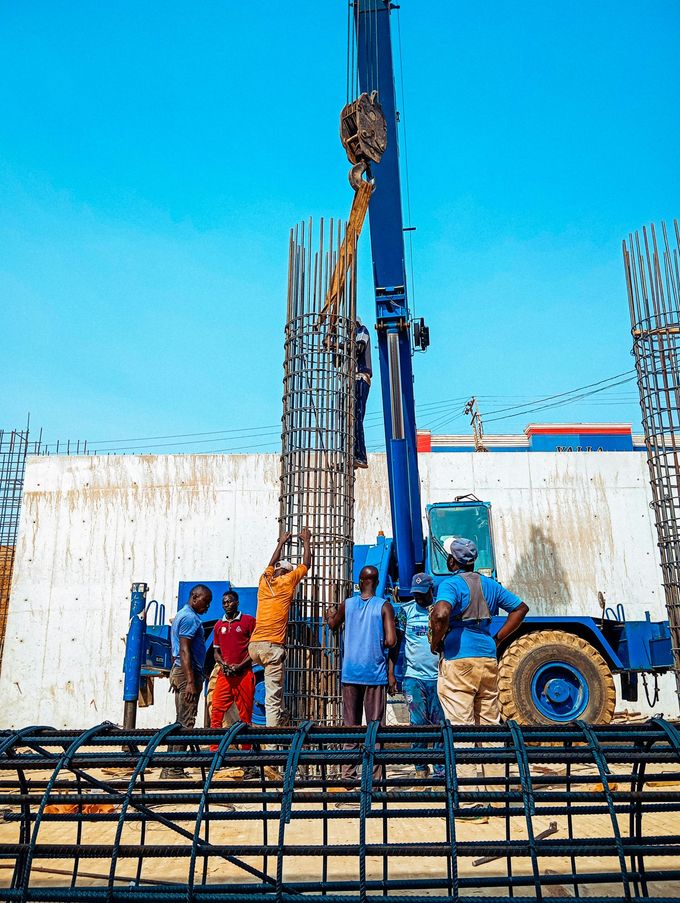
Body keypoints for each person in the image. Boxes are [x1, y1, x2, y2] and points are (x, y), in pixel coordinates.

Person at [430, 537, 528, 820]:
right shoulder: (490, 585)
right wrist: (497, 637)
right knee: (489, 727)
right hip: (487, 658)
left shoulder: (450, 584)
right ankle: (498, 800)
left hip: (459, 660)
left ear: (452, 561)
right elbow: (520, 608)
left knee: (460, 729)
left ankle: (471, 803)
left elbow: (441, 612)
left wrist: (437, 641)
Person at [326, 565, 397, 785]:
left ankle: (348, 775)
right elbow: (391, 641)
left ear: (359, 581)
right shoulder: (384, 606)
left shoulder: (347, 604)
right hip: (374, 674)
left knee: (351, 726)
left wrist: (329, 614)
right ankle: (375, 778)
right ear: (376, 582)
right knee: (375, 728)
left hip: (350, 673)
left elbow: (333, 624)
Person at [248, 528, 312, 726]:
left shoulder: (264, 580)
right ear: (287, 572)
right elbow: (306, 564)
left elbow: (270, 563)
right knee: (272, 700)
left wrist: (281, 542)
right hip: (271, 646)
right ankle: (272, 743)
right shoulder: (288, 581)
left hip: (254, 646)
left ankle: (281, 718)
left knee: (275, 691)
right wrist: (306, 541)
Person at [391, 572, 445, 784]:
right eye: (417, 594)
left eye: (423, 594)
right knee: (418, 724)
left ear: (431, 591)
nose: (420, 598)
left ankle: (441, 771)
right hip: (414, 677)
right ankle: (421, 769)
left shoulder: (440, 611)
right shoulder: (406, 611)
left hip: (439, 678)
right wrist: (391, 673)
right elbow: (396, 645)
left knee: (440, 724)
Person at [162, 583, 213, 779]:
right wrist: (191, 680)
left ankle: (170, 767)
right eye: (205, 602)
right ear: (194, 597)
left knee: (180, 721)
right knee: (186, 722)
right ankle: (174, 769)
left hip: (183, 672)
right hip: (186, 674)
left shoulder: (183, 615)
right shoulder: (190, 618)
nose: (207, 607)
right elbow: (185, 650)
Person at [210, 590, 257, 768]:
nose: (226, 604)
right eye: (224, 602)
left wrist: (240, 666)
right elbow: (216, 651)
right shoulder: (218, 626)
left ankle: (246, 756)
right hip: (225, 675)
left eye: (229, 601)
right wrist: (223, 665)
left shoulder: (248, 622)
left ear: (236, 602)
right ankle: (214, 752)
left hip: (243, 675)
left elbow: (254, 649)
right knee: (216, 711)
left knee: (245, 715)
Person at [354, 318, 372, 469]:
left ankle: (360, 455)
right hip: (350, 381)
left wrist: (339, 345)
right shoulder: (349, 339)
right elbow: (338, 362)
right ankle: (349, 453)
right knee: (347, 419)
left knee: (356, 416)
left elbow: (358, 348)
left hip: (361, 377)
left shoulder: (362, 331)